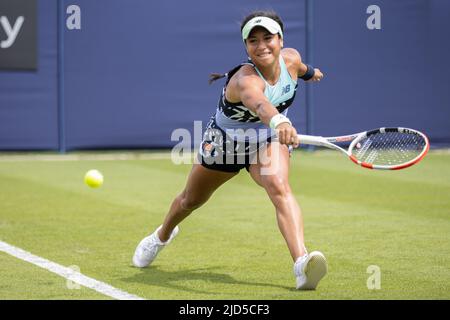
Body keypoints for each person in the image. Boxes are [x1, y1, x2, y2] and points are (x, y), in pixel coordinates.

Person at [132, 10, 327, 290]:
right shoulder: (244, 80)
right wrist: (281, 120)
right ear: (246, 46)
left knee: (278, 186)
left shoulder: (292, 60)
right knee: (190, 200)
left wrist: (312, 73)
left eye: (268, 38)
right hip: (225, 145)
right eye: (253, 41)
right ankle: (161, 236)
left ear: (281, 40)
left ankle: (301, 264)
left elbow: (303, 70)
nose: (261, 46)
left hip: (266, 142)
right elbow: (260, 105)